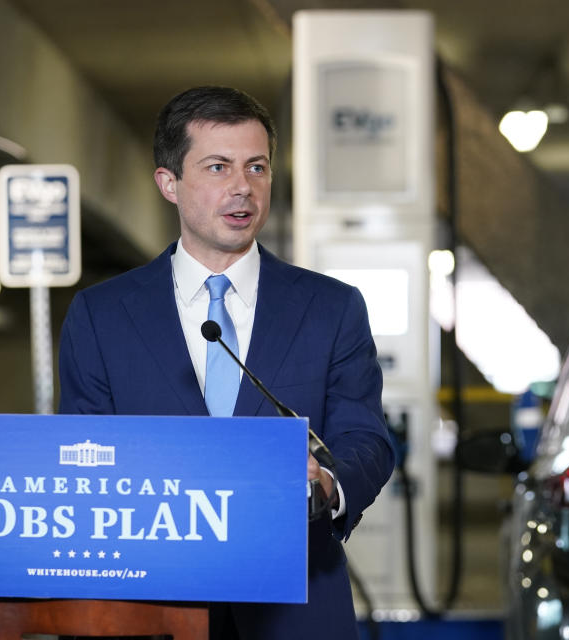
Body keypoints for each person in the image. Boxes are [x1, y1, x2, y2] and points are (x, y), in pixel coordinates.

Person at [58, 86, 394, 640]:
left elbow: (367, 439)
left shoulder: (333, 307)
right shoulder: (102, 314)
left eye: (256, 167)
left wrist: (328, 484)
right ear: (169, 183)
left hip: (297, 605)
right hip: (153, 608)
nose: (243, 187)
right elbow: (85, 457)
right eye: (218, 167)